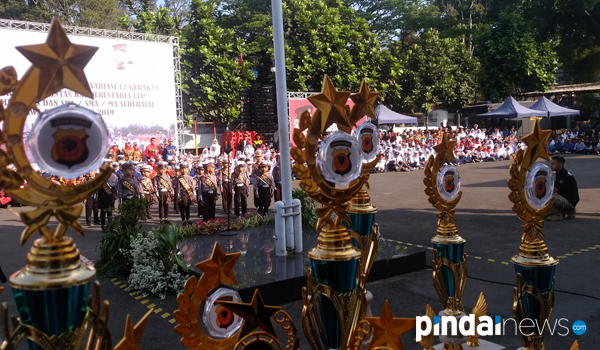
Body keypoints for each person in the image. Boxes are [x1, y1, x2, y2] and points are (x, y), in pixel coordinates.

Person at [546, 156, 579, 221]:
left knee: (549, 196)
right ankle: (568, 211)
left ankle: (558, 214)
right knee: (548, 195)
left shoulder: (564, 176)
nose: (551, 166)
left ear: (560, 165)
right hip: (566, 198)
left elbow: (554, 190)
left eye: (553, 164)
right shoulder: (560, 173)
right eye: (551, 163)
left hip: (570, 201)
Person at [98, 160, 118, 232]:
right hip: (102, 195)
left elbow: (115, 186)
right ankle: (103, 225)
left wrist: (115, 195)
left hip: (110, 195)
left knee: (109, 211)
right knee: (103, 211)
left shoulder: (113, 176)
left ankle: (110, 226)